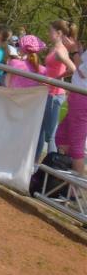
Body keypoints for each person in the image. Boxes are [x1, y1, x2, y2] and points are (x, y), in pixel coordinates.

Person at [35, 20, 77, 162]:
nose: (48, 33)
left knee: (50, 135)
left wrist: (56, 79)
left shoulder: (60, 50)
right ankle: (35, 164)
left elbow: (72, 68)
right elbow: (51, 68)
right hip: (48, 92)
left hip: (55, 95)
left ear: (59, 33)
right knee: (40, 131)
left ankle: (51, 166)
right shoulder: (54, 48)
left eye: (50, 31)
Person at [56, 42, 87, 178]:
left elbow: (83, 71)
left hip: (82, 98)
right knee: (62, 137)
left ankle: (76, 187)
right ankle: (64, 179)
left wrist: (74, 52)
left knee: (76, 146)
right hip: (77, 96)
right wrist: (79, 52)